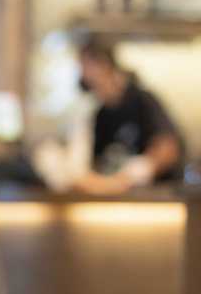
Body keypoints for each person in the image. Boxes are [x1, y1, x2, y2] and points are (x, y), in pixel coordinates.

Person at [72, 36, 184, 194]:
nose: (82, 74)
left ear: (103, 64)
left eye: (85, 66)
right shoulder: (100, 116)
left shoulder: (142, 101)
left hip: (154, 199)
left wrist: (141, 170)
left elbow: (169, 149)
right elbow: (96, 168)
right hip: (117, 203)